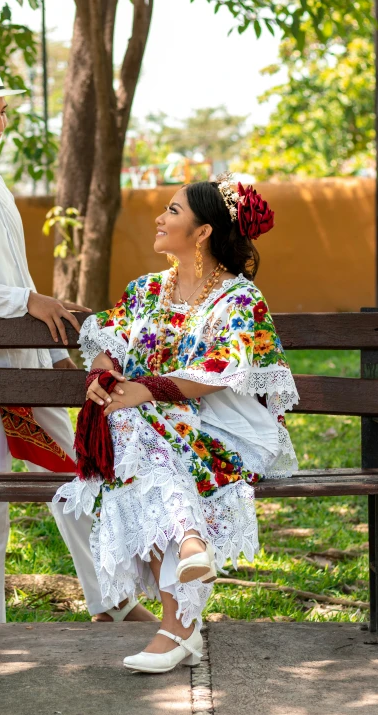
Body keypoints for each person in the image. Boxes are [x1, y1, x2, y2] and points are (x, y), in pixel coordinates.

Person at [0, 53, 156, 625]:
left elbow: (18, 278)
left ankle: (112, 604)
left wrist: (53, 351)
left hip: (28, 358)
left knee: (76, 476)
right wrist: (25, 304)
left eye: (3, 112)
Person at [54, 174, 299, 673]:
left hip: (219, 435)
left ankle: (181, 613)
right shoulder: (145, 291)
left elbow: (223, 372)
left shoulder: (238, 299)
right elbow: (105, 341)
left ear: (203, 231)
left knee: (129, 431)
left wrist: (147, 389)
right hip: (150, 430)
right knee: (128, 426)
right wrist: (105, 375)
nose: (159, 219)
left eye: (172, 211)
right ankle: (186, 571)